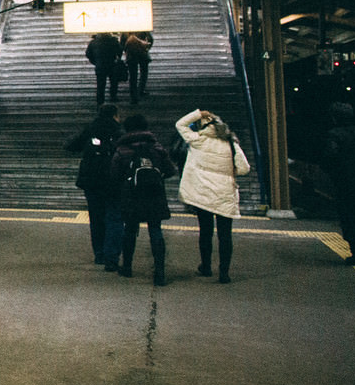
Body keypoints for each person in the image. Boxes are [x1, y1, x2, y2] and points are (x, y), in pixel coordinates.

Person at [176, 109, 251, 283]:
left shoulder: (198, 140)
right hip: (225, 195)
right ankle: (224, 273)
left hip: (203, 195)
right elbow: (244, 168)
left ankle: (206, 267)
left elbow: (180, 124)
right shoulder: (232, 144)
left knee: (206, 232)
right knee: (225, 235)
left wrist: (199, 113)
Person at [111, 113, 178, 284]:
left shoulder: (122, 149)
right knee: (155, 230)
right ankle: (160, 272)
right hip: (154, 194)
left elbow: (114, 173)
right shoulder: (156, 148)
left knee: (130, 230)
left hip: (131, 195)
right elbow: (171, 170)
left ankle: (127, 267)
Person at [66, 104, 123, 269]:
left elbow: (71, 145)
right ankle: (111, 256)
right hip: (113, 180)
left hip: (91, 180)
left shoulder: (91, 128)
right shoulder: (118, 131)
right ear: (115, 115)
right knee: (114, 216)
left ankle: (99, 254)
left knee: (96, 217)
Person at [322, 102, 355, 267]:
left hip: (346, 186)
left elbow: (329, 158)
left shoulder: (335, 134)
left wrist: (336, 174)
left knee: (350, 218)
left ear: (334, 117)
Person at [85, 32, 124, 105]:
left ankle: (100, 100)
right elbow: (120, 50)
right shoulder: (113, 41)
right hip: (112, 64)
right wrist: (117, 57)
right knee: (113, 81)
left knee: (100, 84)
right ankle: (113, 96)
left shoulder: (93, 42)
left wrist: (95, 61)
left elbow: (88, 54)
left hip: (100, 65)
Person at [122, 31, 153, 104]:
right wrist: (147, 48)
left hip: (131, 55)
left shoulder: (125, 30)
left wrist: (126, 50)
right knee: (144, 73)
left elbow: (122, 43)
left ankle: (133, 96)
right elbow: (150, 39)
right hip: (143, 53)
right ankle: (141, 90)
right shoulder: (142, 28)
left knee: (133, 76)